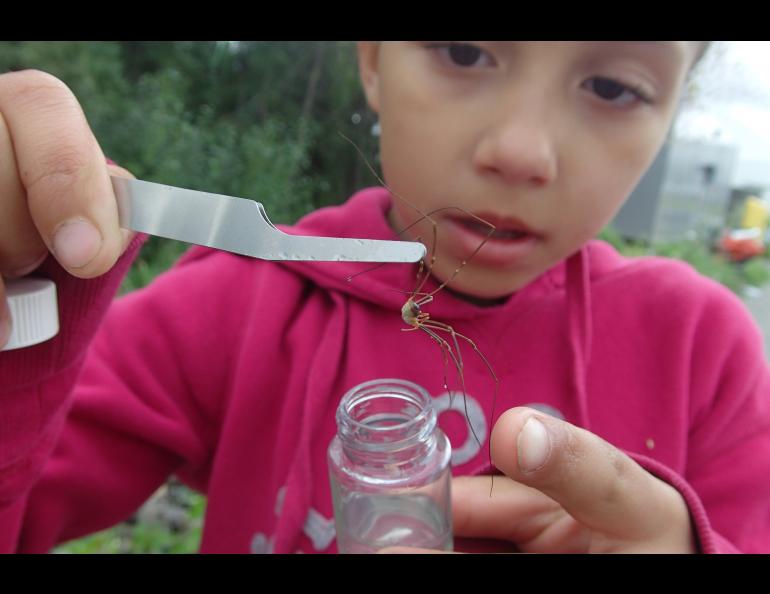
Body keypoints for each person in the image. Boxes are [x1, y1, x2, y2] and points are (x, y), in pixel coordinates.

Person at [0, 41, 767, 554]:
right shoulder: (231, 309)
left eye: (613, 87)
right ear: (371, 59)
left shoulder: (704, 349)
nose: (520, 152)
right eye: (463, 49)